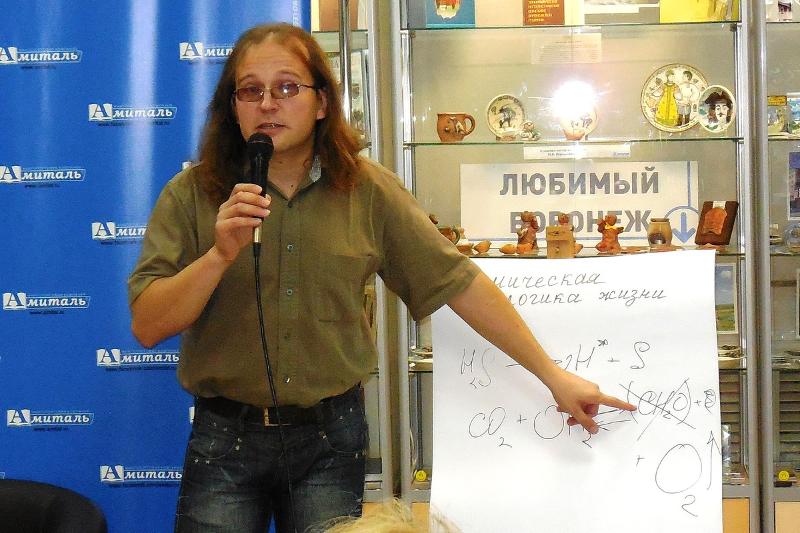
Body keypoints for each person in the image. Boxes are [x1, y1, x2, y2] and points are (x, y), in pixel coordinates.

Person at [128, 22, 636, 533]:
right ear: (233, 106)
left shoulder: (367, 190)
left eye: (286, 87)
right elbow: (148, 325)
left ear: (322, 102)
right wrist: (219, 255)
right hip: (225, 439)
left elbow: (459, 283)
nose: (267, 104)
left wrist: (552, 375)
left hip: (328, 442)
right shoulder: (193, 192)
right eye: (250, 91)